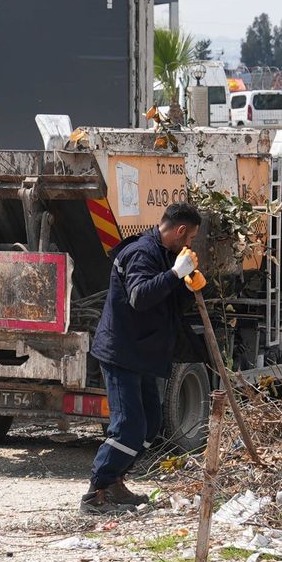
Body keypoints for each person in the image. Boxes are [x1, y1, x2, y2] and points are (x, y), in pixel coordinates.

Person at [81, 202, 206, 514]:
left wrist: (187, 285)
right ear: (180, 230)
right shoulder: (141, 252)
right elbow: (140, 296)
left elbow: (165, 299)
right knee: (128, 425)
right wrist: (175, 274)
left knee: (150, 423)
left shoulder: (163, 253)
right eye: (190, 237)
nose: (190, 243)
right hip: (122, 351)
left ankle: (116, 481)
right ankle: (95, 493)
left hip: (142, 352)